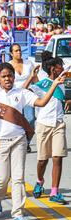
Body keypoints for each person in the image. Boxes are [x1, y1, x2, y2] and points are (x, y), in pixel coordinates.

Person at [0, 63, 65, 220]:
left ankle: (18, 212)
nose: (8, 78)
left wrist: (55, 84)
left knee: (18, 178)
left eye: (10, 75)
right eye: (4, 76)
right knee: (2, 179)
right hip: (0, 142)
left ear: (14, 77)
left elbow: (42, 102)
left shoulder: (21, 93)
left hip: (19, 140)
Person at [26, 51, 70, 205]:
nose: (63, 69)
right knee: (42, 160)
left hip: (58, 125)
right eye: (60, 67)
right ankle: (39, 181)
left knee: (57, 158)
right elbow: (25, 92)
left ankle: (54, 192)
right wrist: (31, 77)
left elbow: (60, 100)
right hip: (43, 125)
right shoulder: (42, 84)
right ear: (52, 69)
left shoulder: (62, 83)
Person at [9, 43, 38, 152]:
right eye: (16, 51)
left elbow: (36, 80)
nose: (19, 52)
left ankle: (27, 142)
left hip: (27, 95)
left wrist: (37, 91)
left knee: (30, 120)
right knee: (15, 122)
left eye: (20, 50)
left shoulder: (28, 64)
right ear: (11, 53)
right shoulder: (8, 65)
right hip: (13, 96)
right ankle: (17, 143)